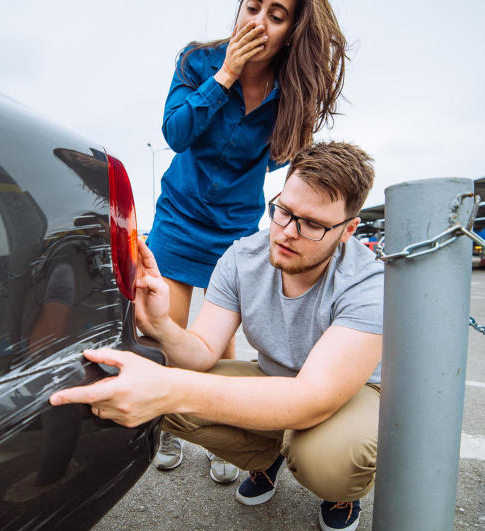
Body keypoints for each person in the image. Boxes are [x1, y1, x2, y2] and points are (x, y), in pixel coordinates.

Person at [51, 141, 382, 531]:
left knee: (328, 460)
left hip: (348, 393)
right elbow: (202, 354)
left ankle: (340, 493)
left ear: (347, 230)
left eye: (312, 224)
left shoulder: (368, 281)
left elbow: (314, 398)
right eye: (284, 211)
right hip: (276, 378)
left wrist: (170, 388)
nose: (287, 233)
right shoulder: (243, 256)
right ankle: (266, 457)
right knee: (166, 394)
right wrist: (161, 326)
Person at [147, 0, 348, 480]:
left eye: (275, 16)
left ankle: (227, 430)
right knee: (170, 333)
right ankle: (169, 428)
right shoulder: (197, 60)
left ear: (290, 32)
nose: (257, 21)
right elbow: (176, 133)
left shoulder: (291, 92)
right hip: (180, 214)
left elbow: (282, 156)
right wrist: (227, 75)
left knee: (220, 341)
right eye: (252, 7)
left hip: (235, 225)